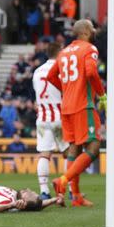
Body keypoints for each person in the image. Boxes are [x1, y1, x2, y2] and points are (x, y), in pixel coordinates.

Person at [46, 19, 107, 207]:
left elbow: (51, 76)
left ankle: (76, 196)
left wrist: (66, 89)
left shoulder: (63, 52)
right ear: (86, 31)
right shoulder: (89, 48)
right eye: (92, 28)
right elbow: (90, 72)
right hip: (83, 105)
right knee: (94, 147)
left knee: (74, 149)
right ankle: (63, 181)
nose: (95, 31)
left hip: (66, 107)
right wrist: (102, 95)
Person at [32, 42, 69, 200]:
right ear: (59, 52)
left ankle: (44, 191)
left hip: (43, 118)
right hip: (61, 117)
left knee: (44, 154)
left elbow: (37, 97)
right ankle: (71, 190)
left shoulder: (37, 71)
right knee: (69, 154)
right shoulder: (62, 69)